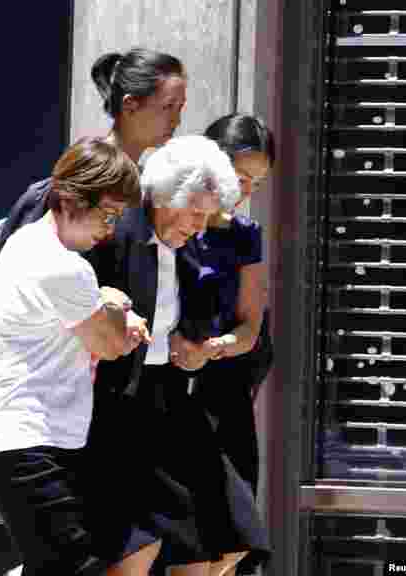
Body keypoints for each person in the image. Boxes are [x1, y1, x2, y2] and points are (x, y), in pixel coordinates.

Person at [87, 134, 270, 576]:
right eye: (195, 212)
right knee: (137, 549)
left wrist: (195, 347)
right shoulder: (118, 230)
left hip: (168, 398)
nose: (200, 226)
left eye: (208, 217)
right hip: (111, 406)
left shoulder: (186, 243)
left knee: (236, 535)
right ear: (167, 195)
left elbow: (198, 315)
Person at [0, 137, 150, 576]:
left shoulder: (25, 244)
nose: (110, 229)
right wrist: (113, 306)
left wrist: (105, 306)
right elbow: (108, 344)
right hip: (29, 440)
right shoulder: (62, 265)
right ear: (72, 199)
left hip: (32, 438)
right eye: (107, 215)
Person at [0, 47, 187, 296]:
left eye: (180, 107)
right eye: (168, 106)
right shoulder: (78, 181)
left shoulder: (144, 187)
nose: (177, 120)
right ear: (130, 105)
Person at [191, 114, 276, 576]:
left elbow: (250, 327)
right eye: (240, 176)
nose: (245, 189)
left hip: (224, 391)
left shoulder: (245, 235)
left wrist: (223, 345)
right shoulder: (172, 220)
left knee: (238, 536)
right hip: (167, 393)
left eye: (256, 182)